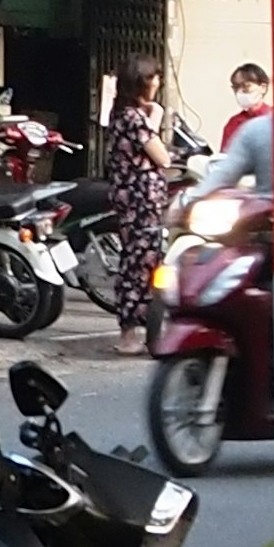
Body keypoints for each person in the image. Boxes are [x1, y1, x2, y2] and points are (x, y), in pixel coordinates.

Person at [100, 73, 174, 349]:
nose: (157, 85)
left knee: (139, 259)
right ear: (140, 84)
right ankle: (129, 334)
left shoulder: (123, 116)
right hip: (140, 200)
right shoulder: (133, 118)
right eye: (152, 81)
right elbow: (162, 156)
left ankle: (135, 332)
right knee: (139, 263)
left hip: (134, 198)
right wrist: (157, 114)